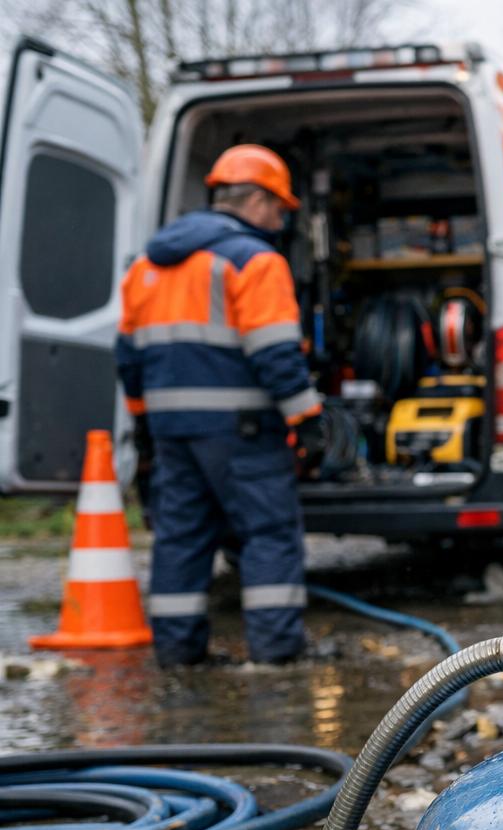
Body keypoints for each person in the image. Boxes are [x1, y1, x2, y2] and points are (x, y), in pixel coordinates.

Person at [115, 144, 324, 666]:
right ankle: (276, 656)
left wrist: (143, 424)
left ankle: (178, 653)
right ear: (254, 199)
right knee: (268, 533)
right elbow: (274, 350)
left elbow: (128, 355)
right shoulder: (255, 261)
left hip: (171, 431)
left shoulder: (146, 266)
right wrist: (307, 418)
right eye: (278, 207)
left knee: (181, 537)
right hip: (242, 431)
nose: (280, 220)